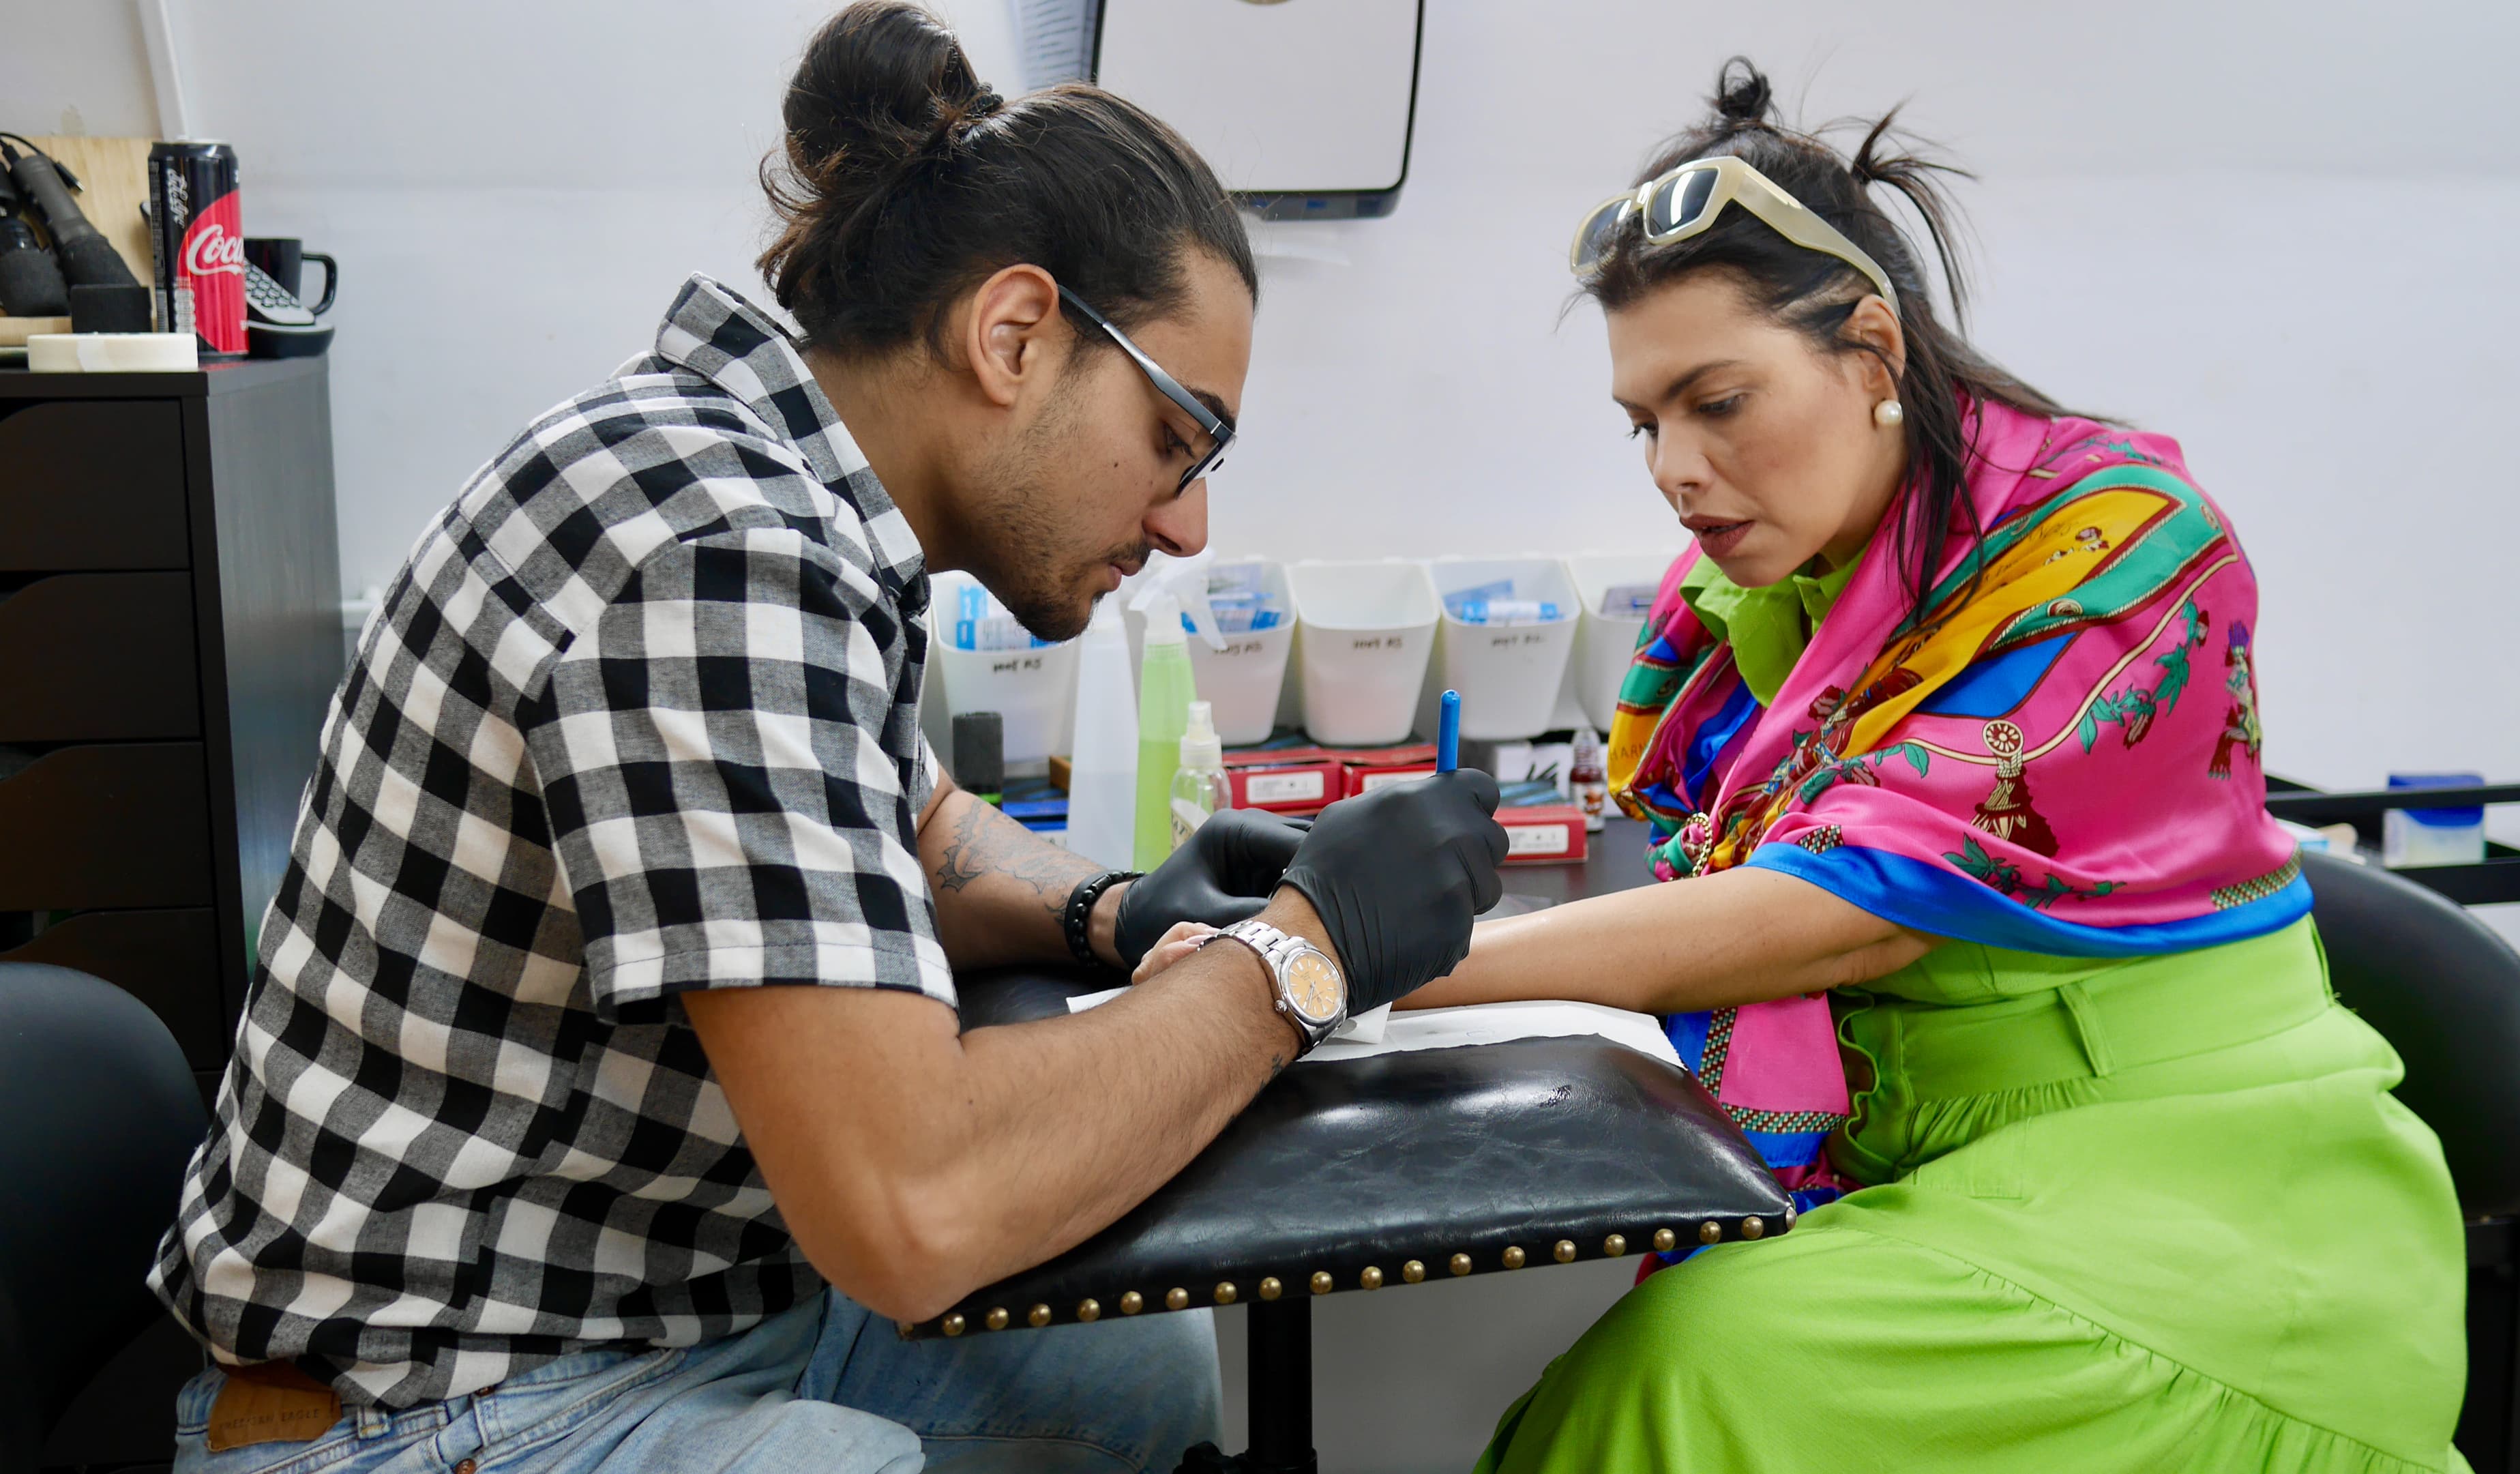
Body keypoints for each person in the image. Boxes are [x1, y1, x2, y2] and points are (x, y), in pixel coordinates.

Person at [147, 6, 1507, 1471]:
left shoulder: (773, 494)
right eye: (1180, 441)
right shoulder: (715, 558)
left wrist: (1111, 912)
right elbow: (912, 1205)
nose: (1189, 524)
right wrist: (1298, 956)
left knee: (1129, 1360)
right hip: (434, 1400)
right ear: (1015, 333)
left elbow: (910, 836)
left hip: (665, 1305)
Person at [1155, 59, 2472, 1473]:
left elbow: (1845, 903)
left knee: (1680, 1386)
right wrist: (1314, 935)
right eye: (1645, 420)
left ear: (1872, 351)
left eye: (1718, 401)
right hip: (1956, 1166)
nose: (1673, 465)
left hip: (2209, 1204)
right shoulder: (1745, 616)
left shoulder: (2120, 558)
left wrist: (1334, 954)